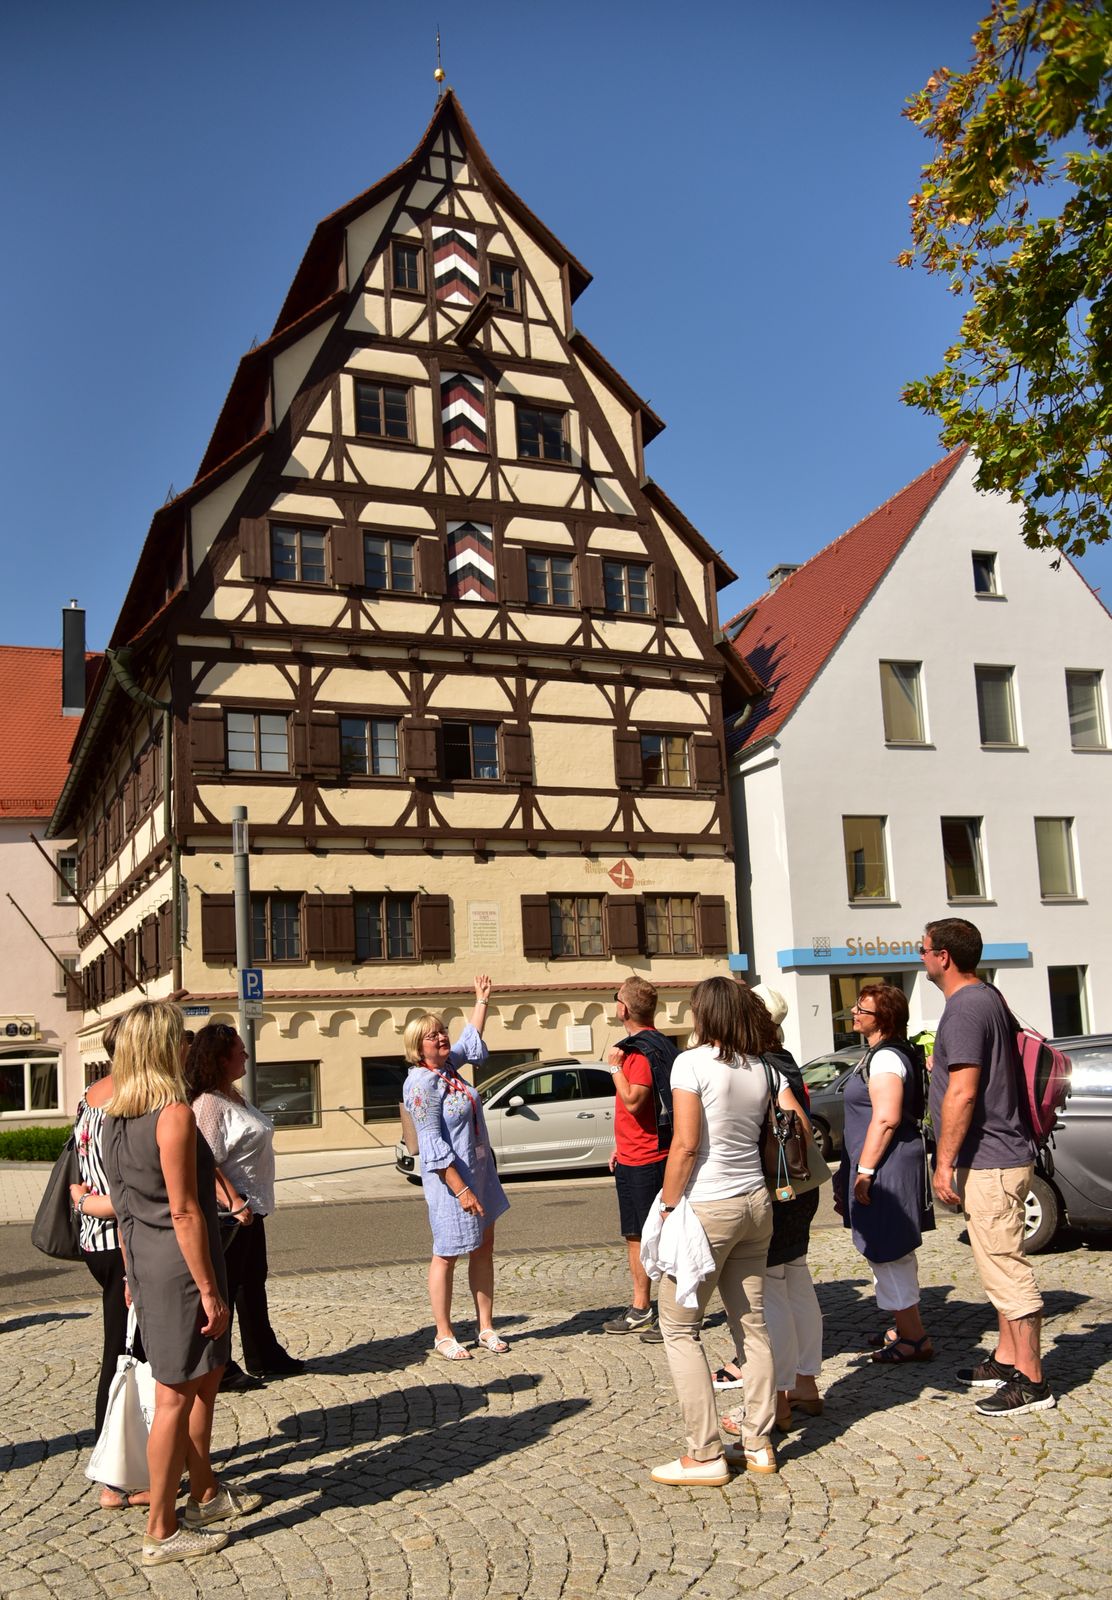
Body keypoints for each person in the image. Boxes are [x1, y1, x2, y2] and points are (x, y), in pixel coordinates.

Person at [102, 1000, 262, 1566]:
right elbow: (187, 1212)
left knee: (204, 1379)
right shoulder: (171, 1114)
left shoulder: (113, 1117)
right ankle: (161, 1529)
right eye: (179, 1038)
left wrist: (130, 1273)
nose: (188, 1047)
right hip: (182, 1268)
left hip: (150, 1265)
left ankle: (205, 1492)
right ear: (161, 1047)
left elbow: (122, 1210)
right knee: (174, 1395)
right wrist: (212, 1291)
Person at [650, 977, 811, 1487]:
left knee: (678, 1327)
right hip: (757, 1204)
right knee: (753, 1324)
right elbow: (797, 1125)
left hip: (708, 1206)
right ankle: (759, 1444)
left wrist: (669, 1206)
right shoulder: (763, 1065)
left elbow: (686, 1145)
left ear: (706, 1015)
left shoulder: (691, 1063)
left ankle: (704, 1454)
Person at [922, 918, 1053, 1416]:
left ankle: (1033, 1381)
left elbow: (965, 1090)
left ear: (944, 958)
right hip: (1003, 1154)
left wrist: (944, 1162)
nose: (921, 956)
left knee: (1006, 1269)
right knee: (996, 1265)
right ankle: (1004, 1357)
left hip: (992, 1160)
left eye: (924, 949)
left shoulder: (965, 1008)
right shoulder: (988, 996)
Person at [719, 984, 824, 1431]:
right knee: (796, 1279)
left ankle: (777, 1399)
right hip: (801, 1182)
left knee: (772, 1288)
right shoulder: (786, 1060)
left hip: (776, 1185)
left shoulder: (758, 1065)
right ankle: (804, 1385)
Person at [184, 1022, 302, 1390]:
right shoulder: (208, 1104)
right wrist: (233, 1201)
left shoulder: (233, 1095)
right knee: (228, 1285)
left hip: (252, 1206)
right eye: (240, 1051)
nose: (246, 1055)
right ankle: (221, 1365)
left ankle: (263, 1353)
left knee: (252, 1283)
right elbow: (205, 1160)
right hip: (229, 1214)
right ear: (221, 1060)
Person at [402, 975, 510, 1360]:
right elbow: (432, 1146)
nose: (442, 1039)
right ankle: (444, 1333)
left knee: (484, 1248)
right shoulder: (420, 1084)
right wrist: (461, 1190)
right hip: (452, 1184)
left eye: (442, 1032)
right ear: (418, 1047)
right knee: (446, 1253)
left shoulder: (448, 1068)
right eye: (433, 1036)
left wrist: (481, 1001)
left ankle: (485, 1327)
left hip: (480, 1173)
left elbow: (470, 1042)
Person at [68, 1013, 151, 1510]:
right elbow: (128, 1193)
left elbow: (85, 1172)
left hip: (93, 1239)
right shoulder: (131, 1100)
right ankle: (119, 1476)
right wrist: (130, 1261)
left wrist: (82, 1202)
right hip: (123, 1243)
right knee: (129, 1358)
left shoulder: (90, 1095)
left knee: (122, 1351)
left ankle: (126, 1469)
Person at [834, 984, 934, 1365]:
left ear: (884, 1019)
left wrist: (865, 1170)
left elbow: (888, 1117)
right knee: (889, 1248)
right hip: (887, 1160)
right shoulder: (884, 1053)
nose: (855, 1014)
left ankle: (913, 1337)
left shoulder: (887, 1058)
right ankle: (904, 1327)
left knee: (888, 1248)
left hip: (886, 1163)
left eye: (863, 1010)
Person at [601, 977, 677, 1337]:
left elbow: (634, 1101)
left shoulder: (640, 1052)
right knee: (634, 1234)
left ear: (624, 1008)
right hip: (632, 1155)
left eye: (616, 999)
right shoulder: (652, 1045)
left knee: (660, 1236)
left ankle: (669, 1312)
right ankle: (641, 1307)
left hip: (650, 1159)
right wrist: (620, 1146)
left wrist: (614, 1067)